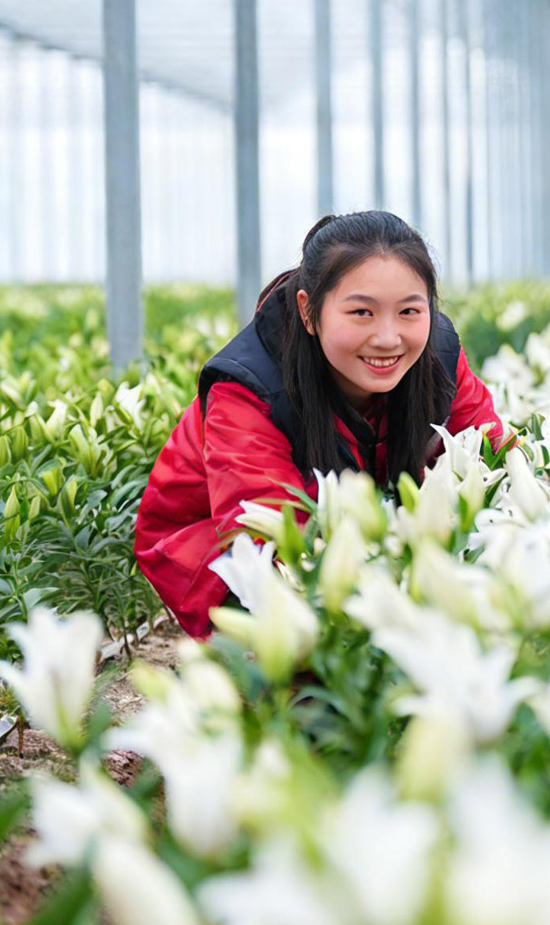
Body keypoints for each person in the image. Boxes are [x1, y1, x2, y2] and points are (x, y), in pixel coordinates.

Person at [135, 210, 509, 636]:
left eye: (409, 310)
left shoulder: (436, 355)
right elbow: (266, 538)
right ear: (308, 311)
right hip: (209, 545)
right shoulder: (248, 389)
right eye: (362, 312)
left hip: (351, 522)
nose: (388, 338)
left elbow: (493, 453)